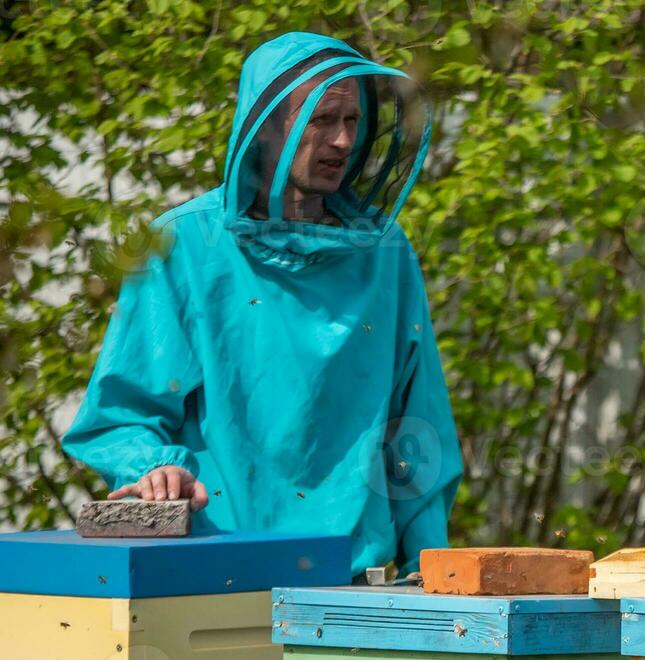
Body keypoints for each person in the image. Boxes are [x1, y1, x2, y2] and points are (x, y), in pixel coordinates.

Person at [63, 32, 460, 575]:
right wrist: (154, 468)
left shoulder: (385, 253)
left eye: (352, 121)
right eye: (322, 119)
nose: (343, 141)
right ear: (266, 124)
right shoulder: (181, 247)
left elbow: (416, 427)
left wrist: (430, 566)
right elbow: (122, 414)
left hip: (354, 579)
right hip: (214, 567)